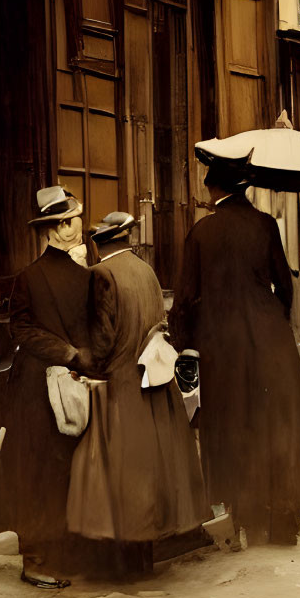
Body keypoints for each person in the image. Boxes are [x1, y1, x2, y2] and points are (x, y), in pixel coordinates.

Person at [169, 157, 300, 546]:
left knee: (236, 431)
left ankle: (243, 523)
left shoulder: (201, 233)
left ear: (214, 190)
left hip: (222, 347)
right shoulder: (266, 225)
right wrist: (273, 322)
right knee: (273, 427)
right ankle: (283, 524)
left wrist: (185, 347)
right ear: (243, 189)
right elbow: (285, 287)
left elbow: (184, 300)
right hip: (270, 342)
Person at [64, 213, 208, 578]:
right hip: (154, 385)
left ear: (99, 243)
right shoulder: (146, 271)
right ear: (125, 239)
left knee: (121, 478)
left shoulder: (101, 276)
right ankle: (143, 559)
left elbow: (102, 341)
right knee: (150, 473)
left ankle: (124, 565)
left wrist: (79, 365)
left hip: (122, 387)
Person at [1, 186, 92, 588]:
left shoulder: (32, 278)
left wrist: (68, 354)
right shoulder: (86, 279)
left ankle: (42, 558)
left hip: (43, 386)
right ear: (62, 227)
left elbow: (21, 331)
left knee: (39, 473)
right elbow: (24, 329)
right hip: (50, 387)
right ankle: (40, 560)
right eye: (75, 220)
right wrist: (72, 355)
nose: (80, 227)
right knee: (55, 471)